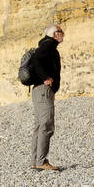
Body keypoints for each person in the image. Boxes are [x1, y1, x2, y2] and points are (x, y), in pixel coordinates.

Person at [27, 25, 64, 171]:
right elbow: (37, 60)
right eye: (60, 32)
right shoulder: (48, 45)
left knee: (39, 125)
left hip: (39, 91)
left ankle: (36, 161)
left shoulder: (46, 45)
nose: (63, 34)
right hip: (43, 90)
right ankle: (41, 161)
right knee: (46, 125)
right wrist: (45, 78)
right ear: (54, 34)